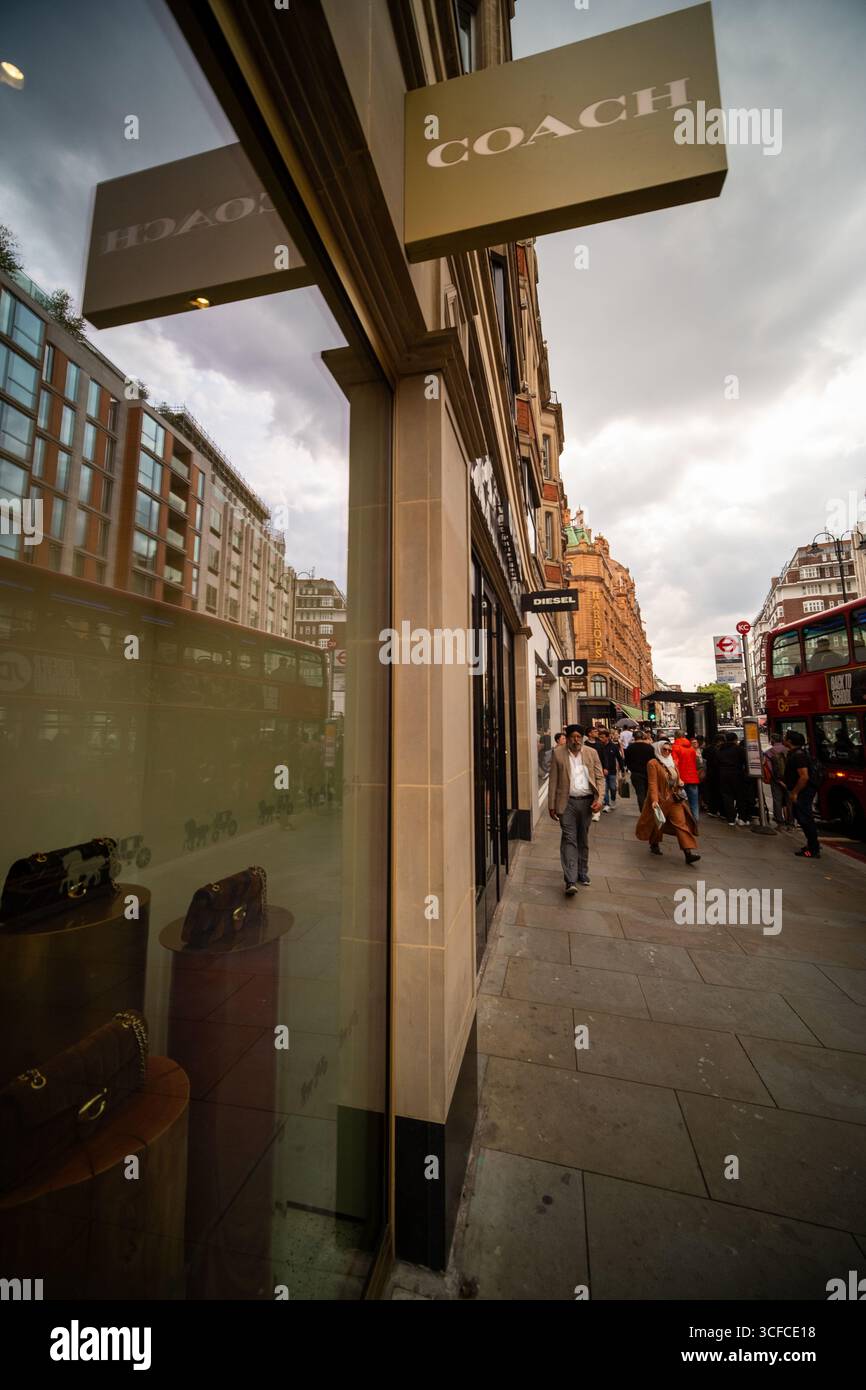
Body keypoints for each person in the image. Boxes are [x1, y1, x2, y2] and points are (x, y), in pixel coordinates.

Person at [548, 724, 604, 893]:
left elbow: (600, 778)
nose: (576, 740)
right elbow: (553, 781)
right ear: (568, 738)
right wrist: (551, 805)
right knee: (569, 839)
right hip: (567, 803)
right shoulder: (558, 753)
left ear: (582, 738)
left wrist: (600, 799)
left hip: (587, 803)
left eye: (579, 737)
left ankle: (582, 872)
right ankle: (570, 879)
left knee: (583, 839)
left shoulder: (591, 753)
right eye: (573, 737)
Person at [635, 740, 701, 864]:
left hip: (674, 799)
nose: (667, 752)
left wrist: (680, 782)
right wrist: (654, 800)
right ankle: (654, 843)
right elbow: (652, 783)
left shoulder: (672, 762)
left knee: (681, 824)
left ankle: (688, 852)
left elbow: (676, 777)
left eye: (669, 750)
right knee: (657, 824)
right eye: (664, 749)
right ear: (659, 749)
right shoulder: (653, 763)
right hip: (660, 799)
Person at [783, 730, 821, 858]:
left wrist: (795, 793)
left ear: (790, 741)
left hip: (803, 792)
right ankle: (812, 844)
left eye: (786, 737)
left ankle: (813, 848)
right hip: (801, 791)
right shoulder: (798, 753)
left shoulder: (798, 755)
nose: (784, 739)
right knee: (802, 818)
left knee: (805, 819)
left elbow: (804, 777)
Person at [716, 731, 747, 826]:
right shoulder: (739, 749)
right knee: (740, 796)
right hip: (737, 774)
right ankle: (742, 817)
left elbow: (717, 762)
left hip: (723, 774)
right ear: (735, 740)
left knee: (727, 796)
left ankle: (731, 819)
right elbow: (745, 761)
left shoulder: (720, 750)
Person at [671, 730, 701, 822]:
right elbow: (696, 763)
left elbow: (675, 764)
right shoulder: (691, 749)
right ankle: (695, 821)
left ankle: (683, 821)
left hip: (681, 779)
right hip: (693, 778)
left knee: (680, 803)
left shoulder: (674, 748)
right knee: (694, 803)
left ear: (675, 736)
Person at [763, 732, 789, 827]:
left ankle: (779, 819)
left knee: (777, 799)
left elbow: (768, 767)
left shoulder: (769, 752)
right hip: (789, 779)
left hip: (776, 779)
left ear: (772, 740)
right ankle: (790, 821)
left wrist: (774, 778)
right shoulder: (788, 750)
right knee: (788, 800)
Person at [624, 728, 654, 810]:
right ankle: (649, 810)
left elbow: (626, 761)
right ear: (643, 737)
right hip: (648, 772)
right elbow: (653, 760)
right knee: (648, 792)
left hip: (636, 773)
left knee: (640, 793)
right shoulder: (649, 747)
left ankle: (643, 810)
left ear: (634, 737)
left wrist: (630, 768)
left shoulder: (630, 748)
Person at [596, 727, 625, 812]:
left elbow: (619, 758)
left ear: (607, 737)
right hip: (601, 771)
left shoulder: (613, 746)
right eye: (600, 737)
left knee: (613, 787)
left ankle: (613, 799)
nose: (601, 739)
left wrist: (622, 769)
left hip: (612, 771)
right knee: (604, 788)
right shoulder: (598, 746)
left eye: (602, 737)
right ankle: (606, 804)